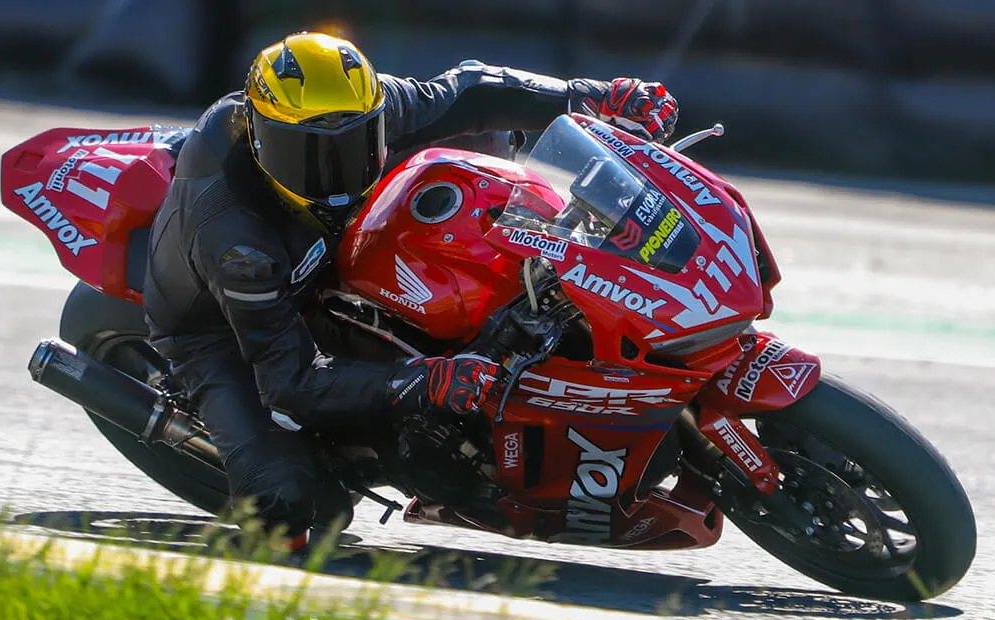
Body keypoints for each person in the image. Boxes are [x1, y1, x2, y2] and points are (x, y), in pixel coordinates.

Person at [142, 31, 679, 544]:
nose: (333, 174)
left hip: (331, 249)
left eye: (352, 146)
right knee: (292, 509)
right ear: (260, 138)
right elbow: (291, 381)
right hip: (216, 327)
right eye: (305, 156)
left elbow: (468, 92)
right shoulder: (237, 244)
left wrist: (596, 96)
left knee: (478, 140)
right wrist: (427, 380)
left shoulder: (365, 103)